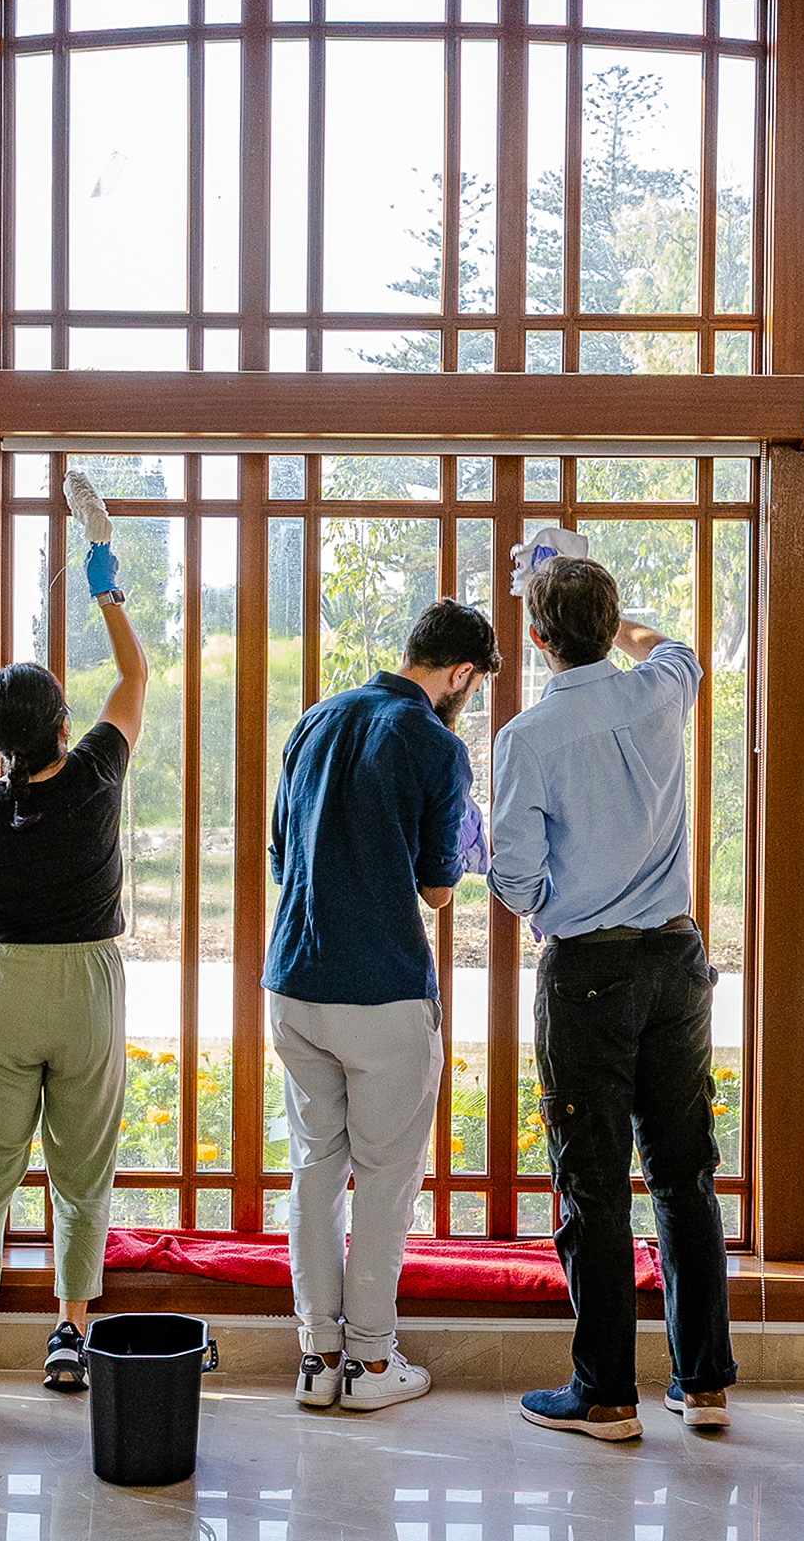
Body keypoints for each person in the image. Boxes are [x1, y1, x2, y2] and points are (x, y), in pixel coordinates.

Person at [487, 555, 735, 1442]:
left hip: (589, 968)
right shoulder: (659, 691)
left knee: (593, 1186)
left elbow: (512, 875)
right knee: (684, 1174)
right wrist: (624, 621)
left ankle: (606, 1395)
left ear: (535, 638)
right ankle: (702, 1383)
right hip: (677, 961)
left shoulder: (524, 738)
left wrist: (558, 912)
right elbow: (678, 649)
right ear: (615, 623)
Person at [0, 537, 147, 1407]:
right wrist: (107, 594)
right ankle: (69, 1334)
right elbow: (133, 683)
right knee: (81, 1167)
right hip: (87, 985)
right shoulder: (96, 771)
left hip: (5, 985)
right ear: (64, 724)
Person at [267, 597, 501, 1413]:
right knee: (387, 1177)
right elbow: (437, 889)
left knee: (313, 1172)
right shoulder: (437, 745)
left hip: (293, 981)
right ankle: (370, 1365)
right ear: (461, 673)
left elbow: (278, 858)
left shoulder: (314, 722)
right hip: (384, 991)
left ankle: (315, 1359)